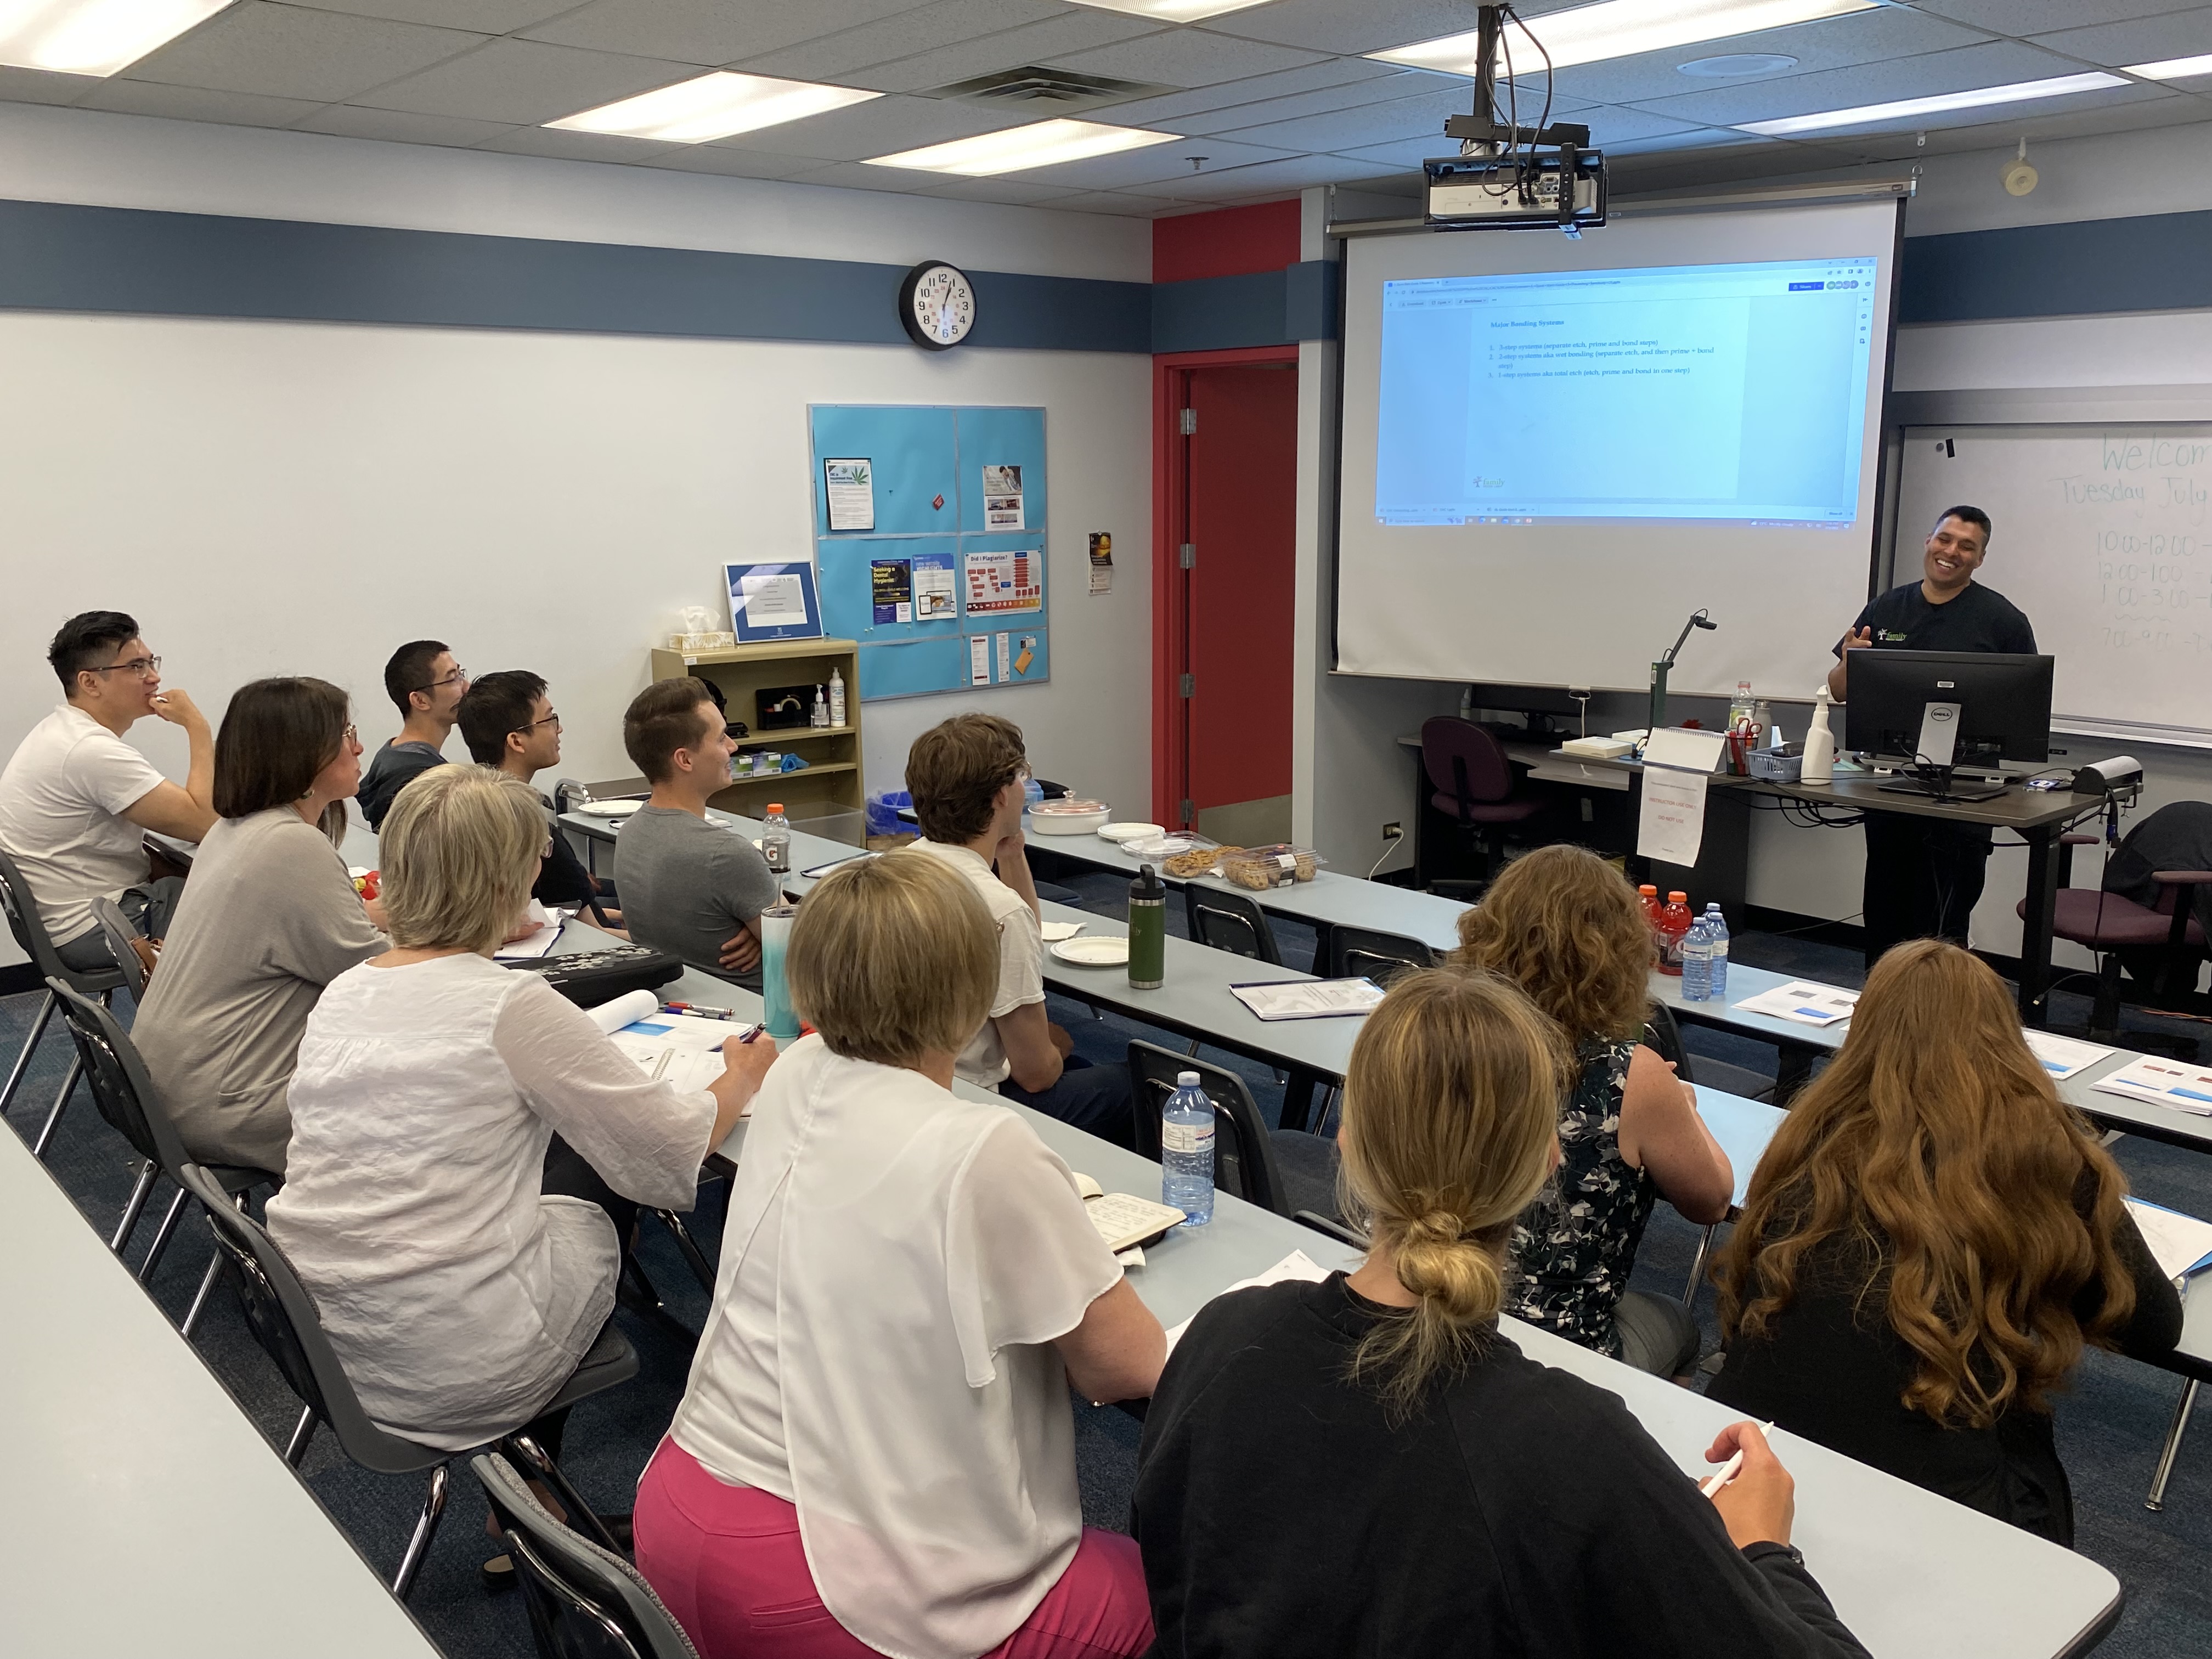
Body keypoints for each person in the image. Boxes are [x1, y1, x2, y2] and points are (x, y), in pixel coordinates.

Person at [1131, 968, 1869, 1659]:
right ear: (1548, 1161)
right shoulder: (1575, 1450)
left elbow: (1167, 1564)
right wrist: (1766, 1549)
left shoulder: (1221, 1336)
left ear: (1349, 1143)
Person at [635, 853, 1163, 1659]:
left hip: (676, 1515)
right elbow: (1122, 1368)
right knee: (1174, 1591)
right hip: (830, 1587)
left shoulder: (796, 1071)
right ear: (971, 993)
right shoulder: (984, 1147)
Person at [267, 765, 771, 1455]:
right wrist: (739, 1078)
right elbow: (665, 1148)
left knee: (559, 1148)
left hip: (328, 1342)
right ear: (508, 878)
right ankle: (537, 1478)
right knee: (601, 1168)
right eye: (538, 856)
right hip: (457, 1361)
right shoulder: (509, 1004)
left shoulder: (346, 990)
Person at [1709, 940, 2181, 1545]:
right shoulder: (2045, 1154)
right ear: (2003, 1037)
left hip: (1754, 1459)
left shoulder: (1808, 1137)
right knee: (2016, 1430)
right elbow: (2154, 1325)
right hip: (1934, 1501)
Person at [1450, 843, 1733, 1376]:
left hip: (1440, 1305)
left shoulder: (1451, 1040)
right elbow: (1714, 1200)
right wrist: (1684, 1106)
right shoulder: (1633, 1073)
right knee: (1680, 1321)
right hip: (1563, 1349)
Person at [131, 679, 386, 1172]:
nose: (358, 748)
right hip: (230, 1102)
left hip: (173, 1084)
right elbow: (373, 978)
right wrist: (468, 935)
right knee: (446, 1093)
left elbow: (314, 929)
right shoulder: (291, 845)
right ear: (304, 755)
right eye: (346, 734)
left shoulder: (234, 830)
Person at [899, 714, 1136, 1147]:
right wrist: (1055, 1047)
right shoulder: (997, 910)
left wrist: (1010, 855)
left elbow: (1026, 934)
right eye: (1020, 778)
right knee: (1133, 1088)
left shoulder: (895, 868)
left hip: (898, 1088)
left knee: (1083, 1069)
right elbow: (1036, 1075)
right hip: (969, 1103)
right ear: (1000, 796)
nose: (1025, 788)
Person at [1826, 506, 2037, 966]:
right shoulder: (1886, 608)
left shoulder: (2003, 621)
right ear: (1928, 541)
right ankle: (1881, 1004)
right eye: (1945, 539)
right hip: (1892, 789)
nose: (1951, 552)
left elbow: (2025, 705)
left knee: (1941, 930)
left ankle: (1942, 1011)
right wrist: (1851, 661)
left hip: (1965, 798)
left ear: (1980, 558)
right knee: (1885, 920)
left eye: (1967, 546)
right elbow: (1840, 691)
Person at [0, 611, 216, 972]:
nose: (154, 677)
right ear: (90, 682)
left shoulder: (62, 732)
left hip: (60, 925)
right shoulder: (89, 750)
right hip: (93, 929)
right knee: (240, 903)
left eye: (151, 662)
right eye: (136, 667)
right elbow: (205, 824)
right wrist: (197, 726)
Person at [613, 678, 778, 985]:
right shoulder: (726, 854)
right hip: (759, 1005)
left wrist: (765, 933)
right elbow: (803, 950)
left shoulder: (629, 834)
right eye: (721, 738)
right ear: (685, 759)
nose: (733, 747)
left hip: (680, 998)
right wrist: (770, 935)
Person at [458, 669, 616, 922]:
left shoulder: (476, 812)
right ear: (517, 742)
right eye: (550, 720)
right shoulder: (532, 832)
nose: (559, 729)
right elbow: (595, 930)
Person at [358, 639, 466, 831]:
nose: (467, 687)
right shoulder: (418, 779)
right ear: (420, 700)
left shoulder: (392, 754)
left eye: (461, 674)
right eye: (452, 679)